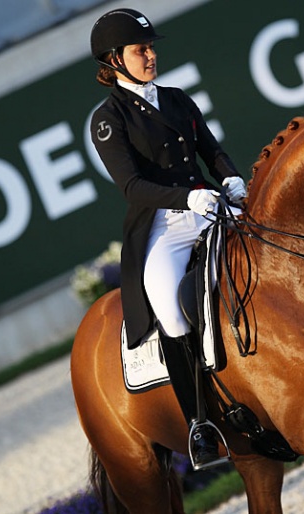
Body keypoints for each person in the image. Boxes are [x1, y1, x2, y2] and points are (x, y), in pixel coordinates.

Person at [89, 8, 246, 469]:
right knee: (172, 311)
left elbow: (211, 151)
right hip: (162, 226)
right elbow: (133, 188)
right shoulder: (109, 119)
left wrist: (231, 179)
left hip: (210, 206)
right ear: (115, 59)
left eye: (152, 48)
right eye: (142, 50)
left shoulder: (176, 99)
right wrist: (188, 197)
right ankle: (201, 423)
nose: (151, 55)